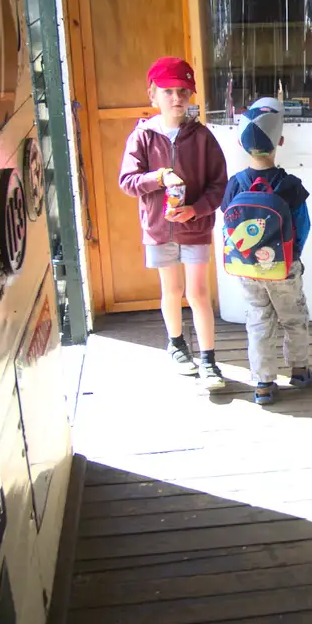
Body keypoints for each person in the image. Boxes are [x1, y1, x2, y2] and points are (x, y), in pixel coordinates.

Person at [119, 56, 229, 388]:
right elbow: (127, 181)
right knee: (172, 290)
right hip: (158, 228)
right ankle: (177, 344)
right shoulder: (142, 136)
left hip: (195, 229)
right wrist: (158, 177)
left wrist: (196, 210)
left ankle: (209, 361)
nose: (177, 98)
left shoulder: (203, 137)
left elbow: (218, 184)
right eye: (168, 91)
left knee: (197, 292)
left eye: (184, 91)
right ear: (152, 94)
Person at [221, 98, 312, 405]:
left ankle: (262, 383)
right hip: (284, 267)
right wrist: (292, 254)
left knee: (258, 321)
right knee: (293, 318)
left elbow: (227, 226)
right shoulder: (291, 185)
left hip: (247, 269)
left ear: (240, 143)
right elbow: (303, 225)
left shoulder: (235, 185)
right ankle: (299, 370)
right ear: (280, 141)